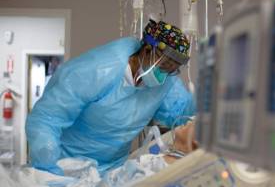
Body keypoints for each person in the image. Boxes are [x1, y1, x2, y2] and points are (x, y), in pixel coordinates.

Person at [26, 19, 195, 175]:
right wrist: (48, 166)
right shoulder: (98, 69)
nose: (164, 75)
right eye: (164, 65)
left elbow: (181, 114)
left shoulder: (166, 82)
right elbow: (47, 118)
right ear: (147, 49)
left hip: (114, 170)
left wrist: (206, 99)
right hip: (66, 165)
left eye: (172, 69)